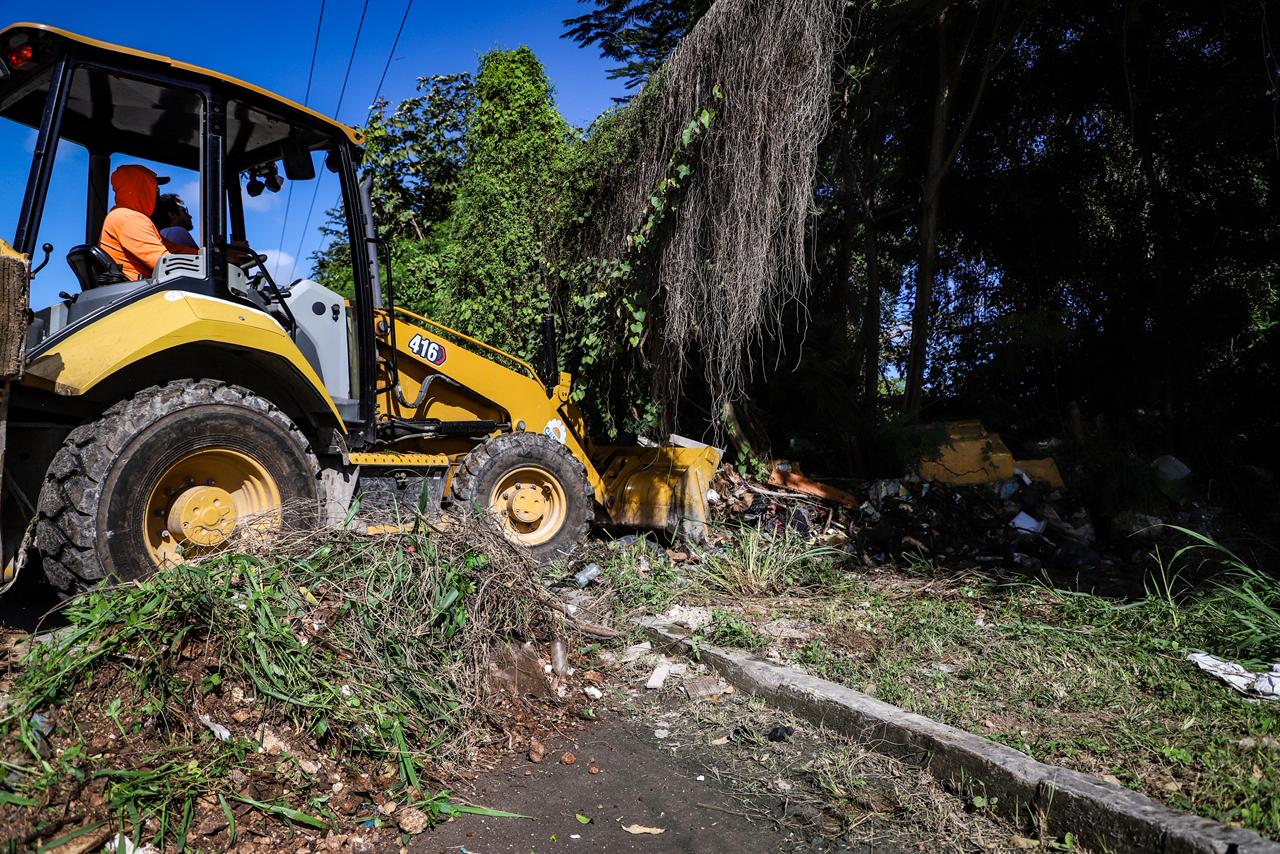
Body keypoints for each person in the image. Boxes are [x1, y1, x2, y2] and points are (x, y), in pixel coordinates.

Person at [99, 164, 198, 280]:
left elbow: (174, 249)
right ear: (143, 188)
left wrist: (207, 257)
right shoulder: (130, 219)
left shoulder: (123, 216)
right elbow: (165, 263)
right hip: (140, 291)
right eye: (155, 189)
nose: (157, 196)